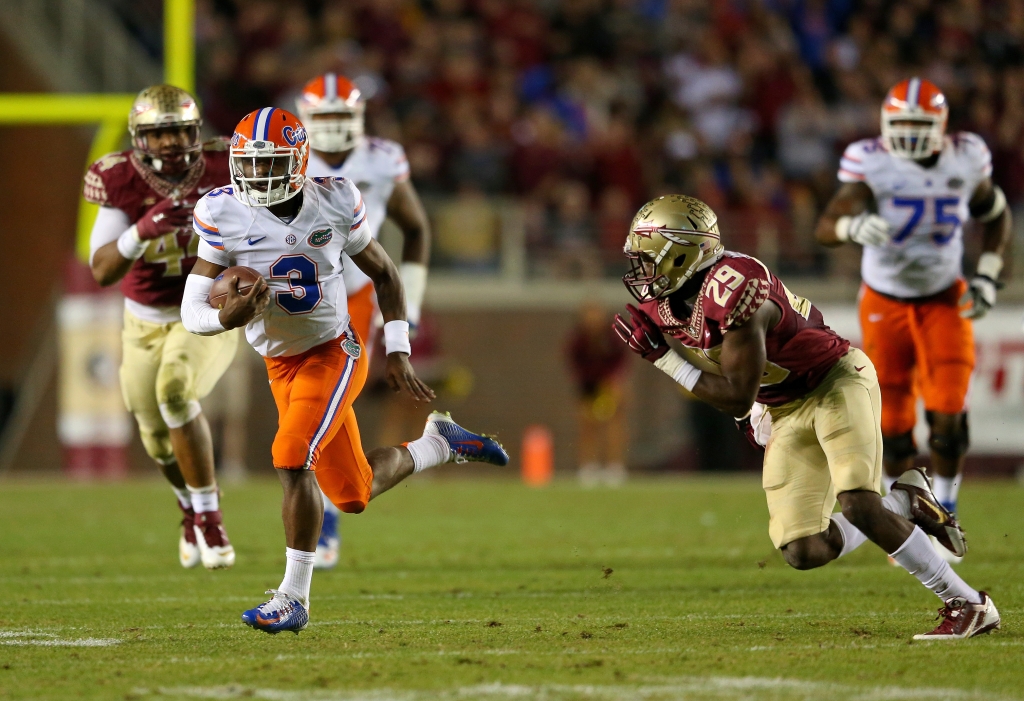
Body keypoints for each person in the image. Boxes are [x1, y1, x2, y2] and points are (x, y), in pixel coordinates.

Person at [180, 107, 508, 634]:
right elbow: (191, 309)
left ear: (298, 160)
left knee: (290, 455)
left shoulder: (332, 199)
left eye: (271, 164)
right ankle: (440, 444)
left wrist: (398, 346)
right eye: (251, 164)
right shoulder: (223, 212)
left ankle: (293, 598)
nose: (259, 176)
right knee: (352, 494)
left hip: (333, 353)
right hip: (278, 362)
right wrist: (226, 317)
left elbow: (384, 271)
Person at [613, 194, 999, 640]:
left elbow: (737, 394)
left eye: (649, 258)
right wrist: (759, 408)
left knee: (857, 501)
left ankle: (968, 603)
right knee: (803, 549)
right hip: (783, 404)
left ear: (682, 252)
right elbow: (738, 379)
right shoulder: (667, 299)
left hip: (833, 382)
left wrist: (665, 359)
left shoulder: (735, 287)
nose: (642, 271)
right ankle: (904, 502)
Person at [815, 79, 1011, 536]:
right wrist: (851, 226)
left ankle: (946, 510)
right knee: (894, 423)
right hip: (884, 300)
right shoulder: (872, 160)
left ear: (940, 125)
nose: (906, 133)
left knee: (948, 411)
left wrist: (986, 273)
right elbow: (826, 223)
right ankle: (897, 516)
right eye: (899, 123)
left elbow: (996, 213)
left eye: (917, 124)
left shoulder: (965, 158)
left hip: (944, 297)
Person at [84, 85, 238, 570]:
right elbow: (103, 270)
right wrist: (141, 230)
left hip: (204, 314)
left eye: (178, 130)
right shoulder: (121, 180)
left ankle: (211, 519)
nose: (171, 142)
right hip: (143, 321)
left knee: (175, 392)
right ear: (139, 138)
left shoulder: (223, 166)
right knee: (152, 433)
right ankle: (189, 510)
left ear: (195, 132)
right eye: (159, 132)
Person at [295, 73, 432, 570]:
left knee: (332, 401)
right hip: (298, 299)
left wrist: (408, 307)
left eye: (340, 116)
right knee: (320, 406)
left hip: (354, 296)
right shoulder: (287, 157)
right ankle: (338, 497)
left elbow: (415, 229)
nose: (331, 127)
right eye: (323, 116)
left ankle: (327, 511)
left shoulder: (381, 157)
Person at [565, 303, 628, 486]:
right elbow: (575, 365)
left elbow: (621, 362)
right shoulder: (577, 340)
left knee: (613, 424)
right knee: (586, 425)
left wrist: (614, 383)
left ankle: (614, 467)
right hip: (587, 385)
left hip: (609, 385)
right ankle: (588, 467)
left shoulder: (612, 338)